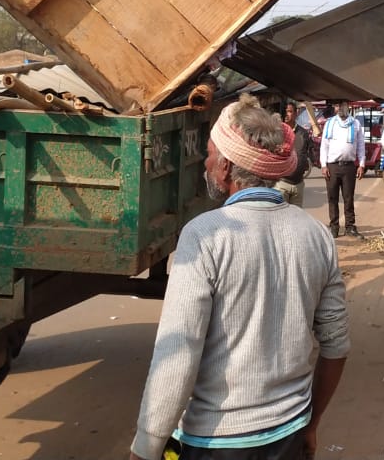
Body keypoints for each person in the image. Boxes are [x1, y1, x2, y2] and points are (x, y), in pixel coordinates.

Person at [129, 96, 349, 460]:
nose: (205, 164)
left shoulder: (205, 235)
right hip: (290, 432)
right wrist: (312, 424)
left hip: (217, 442)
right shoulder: (316, 234)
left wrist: (146, 446)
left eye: (211, 155)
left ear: (227, 168)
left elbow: (178, 354)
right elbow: (337, 346)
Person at [319, 99, 365, 238]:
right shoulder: (330, 123)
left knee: (348, 198)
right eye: (338, 105)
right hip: (332, 166)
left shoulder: (355, 124)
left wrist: (362, 164)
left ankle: (350, 227)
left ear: (348, 107)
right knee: (332, 198)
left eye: (343, 105)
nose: (340, 108)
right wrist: (323, 165)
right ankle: (334, 227)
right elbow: (324, 146)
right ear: (335, 108)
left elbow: (361, 146)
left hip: (349, 167)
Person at [275, 102, 310, 206]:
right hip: (281, 183)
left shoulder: (303, 133)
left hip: (298, 184)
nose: (287, 114)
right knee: (281, 217)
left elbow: (306, 152)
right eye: (285, 111)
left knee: (296, 218)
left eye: (290, 111)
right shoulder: (277, 132)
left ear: (296, 114)